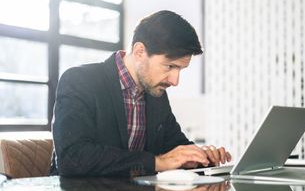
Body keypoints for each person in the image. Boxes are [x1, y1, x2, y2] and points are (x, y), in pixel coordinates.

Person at [50, 10, 231, 177]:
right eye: (170, 66)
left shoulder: (155, 93)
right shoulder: (79, 81)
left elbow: (175, 146)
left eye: (180, 69)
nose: (175, 81)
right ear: (139, 52)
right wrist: (157, 162)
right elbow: (72, 159)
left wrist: (201, 157)